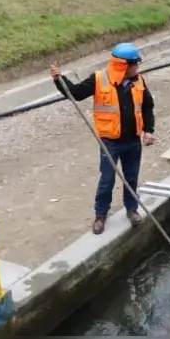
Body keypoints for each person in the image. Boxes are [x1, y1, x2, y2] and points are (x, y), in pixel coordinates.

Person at [50, 42, 155, 235]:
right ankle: (100, 215)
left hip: (133, 141)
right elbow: (76, 93)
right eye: (135, 64)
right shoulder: (99, 79)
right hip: (110, 142)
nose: (137, 68)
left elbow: (148, 106)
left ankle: (131, 210)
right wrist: (59, 79)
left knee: (131, 177)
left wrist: (149, 130)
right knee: (107, 179)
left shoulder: (139, 81)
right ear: (123, 65)